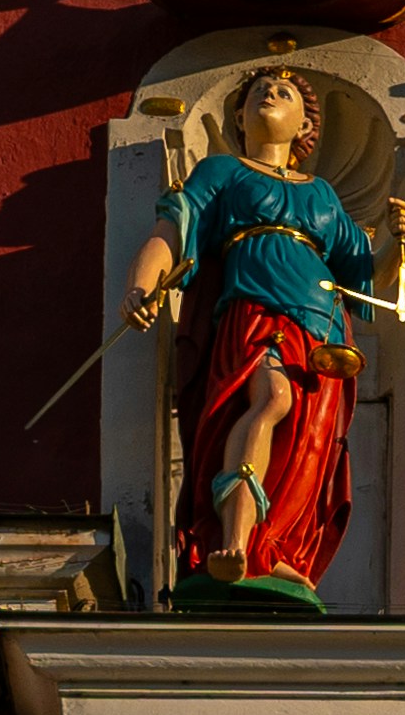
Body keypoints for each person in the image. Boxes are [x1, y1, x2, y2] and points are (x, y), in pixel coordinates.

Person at [126, 59, 369, 607]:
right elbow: (176, 222)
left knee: (308, 443)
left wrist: (399, 240)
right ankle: (234, 540)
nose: (270, 94)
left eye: (284, 91)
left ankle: (276, 544)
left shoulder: (324, 194)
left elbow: (363, 269)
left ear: (306, 125)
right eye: (259, 89)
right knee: (269, 399)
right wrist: (142, 285)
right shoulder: (222, 172)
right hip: (254, 311)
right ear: (238, 113)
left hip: (325, 329)